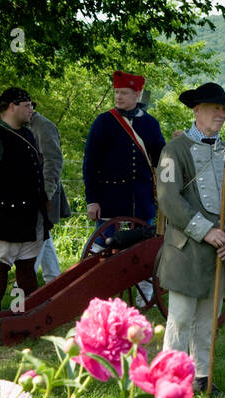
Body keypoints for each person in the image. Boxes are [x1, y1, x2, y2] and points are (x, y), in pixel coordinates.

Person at [155, 82, 225, 394]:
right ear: (197, 111)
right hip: (187, 250)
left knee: (208, 319)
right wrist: (206, 231)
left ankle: (201, 376)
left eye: (224, 109)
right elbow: (169, 199)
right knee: (180, 318)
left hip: (221, 251)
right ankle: (171, 379)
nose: (221, 114)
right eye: (214, 108)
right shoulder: (173, 151)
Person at [83, 71, 164, 302]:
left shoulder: (150, 124)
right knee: (102, 248)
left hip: (142, 200)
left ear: (137, 94)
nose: (118, 97)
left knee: (144, 251)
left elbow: (161, 158)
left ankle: (144, 299)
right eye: (117, 92)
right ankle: (96, 293)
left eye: (124, 93)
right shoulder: (103, 122)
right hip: (110, 199)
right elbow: (90, 164)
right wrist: (92, 199)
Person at [0, 87, 50, 312]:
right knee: (0, 266)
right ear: (12, 107)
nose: (31, 110)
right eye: (27, 106)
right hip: (3, 214)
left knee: (26, 268)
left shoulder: (27, 133)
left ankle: (22, 315)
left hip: (29, 214)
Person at [29, 108, 70, 283]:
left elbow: (53, 162)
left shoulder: (44, 126)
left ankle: (23, 285)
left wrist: (45, 194)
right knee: (44, 238)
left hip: (44, 192)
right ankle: (54, 282)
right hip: (32, 192)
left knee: (37, 238)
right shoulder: (25, 126)